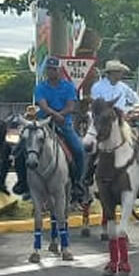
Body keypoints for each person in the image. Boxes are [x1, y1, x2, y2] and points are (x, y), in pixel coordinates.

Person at [15, 57, 85, 200]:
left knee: (79, 150)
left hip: (64, 123)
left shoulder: (69, 87)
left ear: (60, 71)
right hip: (42, 122)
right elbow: (43, 105)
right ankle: (23, 183)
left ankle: (77, 182)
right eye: (49, 69)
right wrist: (54, 115)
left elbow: (71, 106)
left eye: (54, 69)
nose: (51, 72)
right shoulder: (40, 87)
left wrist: (61, 116)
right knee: (19, 150)